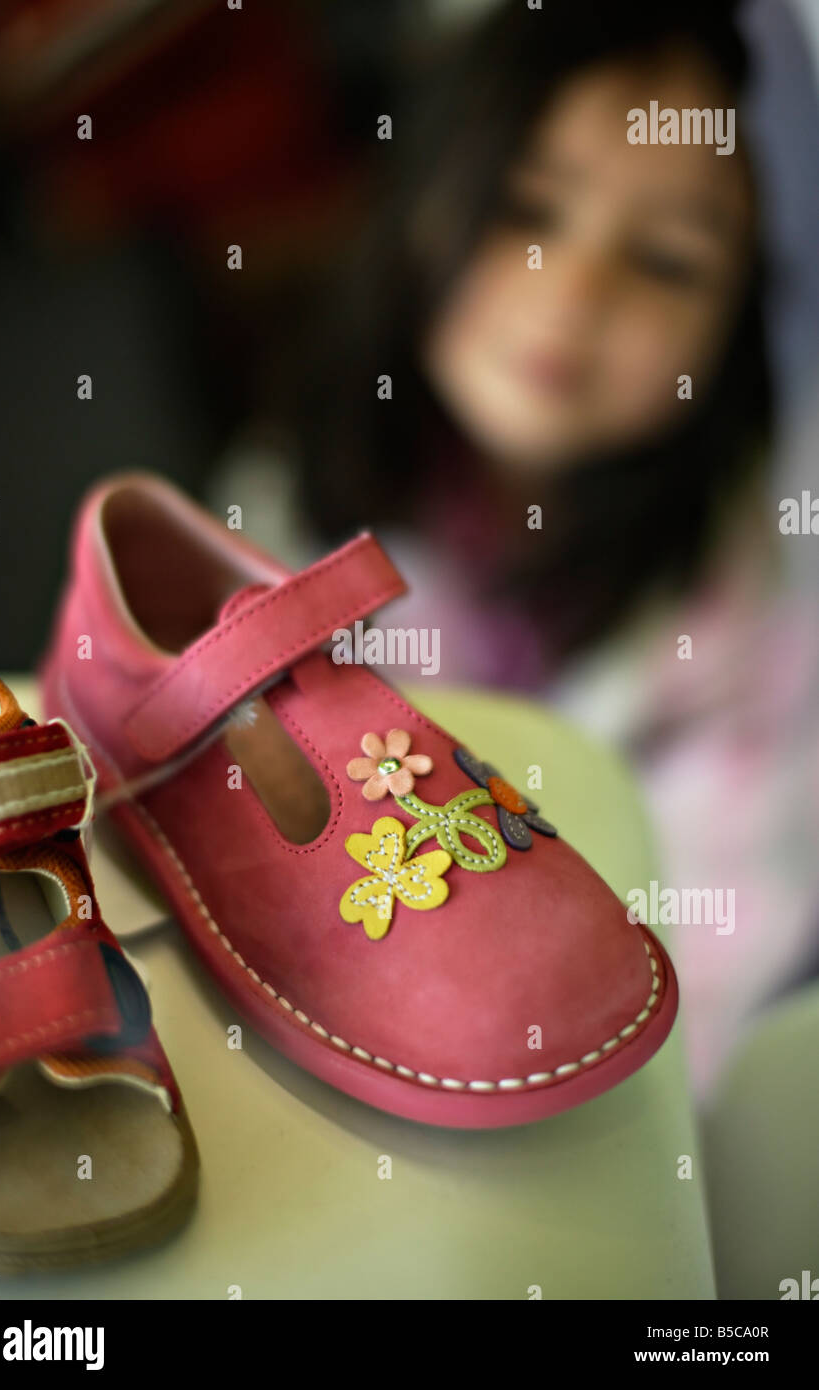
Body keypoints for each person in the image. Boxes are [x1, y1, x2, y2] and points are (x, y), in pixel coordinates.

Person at [209, 0, 819, 1102]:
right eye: (528, 210)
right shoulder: (275, 506)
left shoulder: (753, 592)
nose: (574, 293)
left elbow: (728, 923)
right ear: (422, 206)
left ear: (734, 331)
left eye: (667, 262)